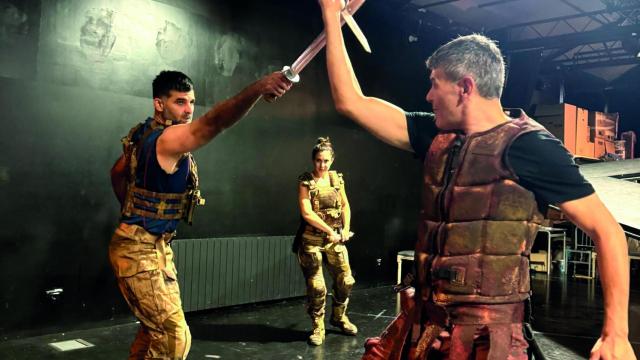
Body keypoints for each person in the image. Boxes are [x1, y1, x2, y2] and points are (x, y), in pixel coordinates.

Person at [317, 1, 636, 359]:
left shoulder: (533, 146)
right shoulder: (434, 133)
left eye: (435, 84)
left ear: (465, 87)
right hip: (426, 320)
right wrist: (331, 17)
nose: (428, 95)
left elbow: (608, 232)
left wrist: (615, 334)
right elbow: (351, 102)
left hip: (488, 334)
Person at [109, 70, 292, 359]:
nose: (189, 110)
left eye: (192, 102)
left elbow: (118, 172)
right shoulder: (166, 139)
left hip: (151, 247)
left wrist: (132, 213)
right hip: (140, 251)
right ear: (159, 104)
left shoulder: (143, 133)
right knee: (174, 338)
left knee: (153, 331)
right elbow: (216, 122)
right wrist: (258, 87)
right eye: (180, 102)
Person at [296, 137, 358, 346]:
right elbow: (307, 213)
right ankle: (318, 325)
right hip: (312, 239)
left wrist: (345, 230)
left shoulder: (336, 179)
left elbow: (345, 206)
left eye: (326, 161)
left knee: (346, 280)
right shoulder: (306, 181)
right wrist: (331, 230)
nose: (322, 165)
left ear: (332, 160)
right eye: (318, 161)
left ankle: (339, 317)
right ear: (313, 161)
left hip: (335, 239)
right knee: (317, 286)